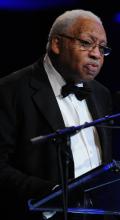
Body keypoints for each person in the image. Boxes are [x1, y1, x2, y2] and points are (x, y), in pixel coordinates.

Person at [0, 9, 113, 220]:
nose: (96, 54)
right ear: (57, 44)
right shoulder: (10, 90)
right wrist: (53, 194)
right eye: (87, 42)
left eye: (102, 48)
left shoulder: (101, 93)